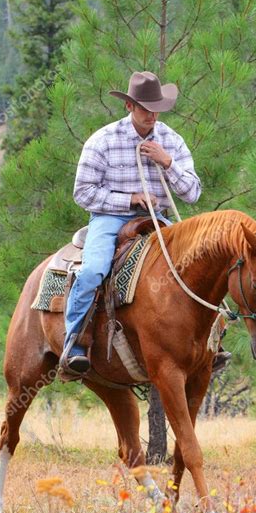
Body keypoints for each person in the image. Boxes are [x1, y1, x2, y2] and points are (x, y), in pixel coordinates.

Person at [60, 70, 230, 375]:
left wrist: (168, 162)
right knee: (93, 270)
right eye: (144, 108)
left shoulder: (171, 141)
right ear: (129, 107)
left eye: (156, 109)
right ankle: (73, 343)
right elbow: (83, 194)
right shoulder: (102, 141)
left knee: (198, 266)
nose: (152, 115)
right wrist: (130, 200)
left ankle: (209, 343)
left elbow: (192, 192)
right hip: (111, 218)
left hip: (159, 219)